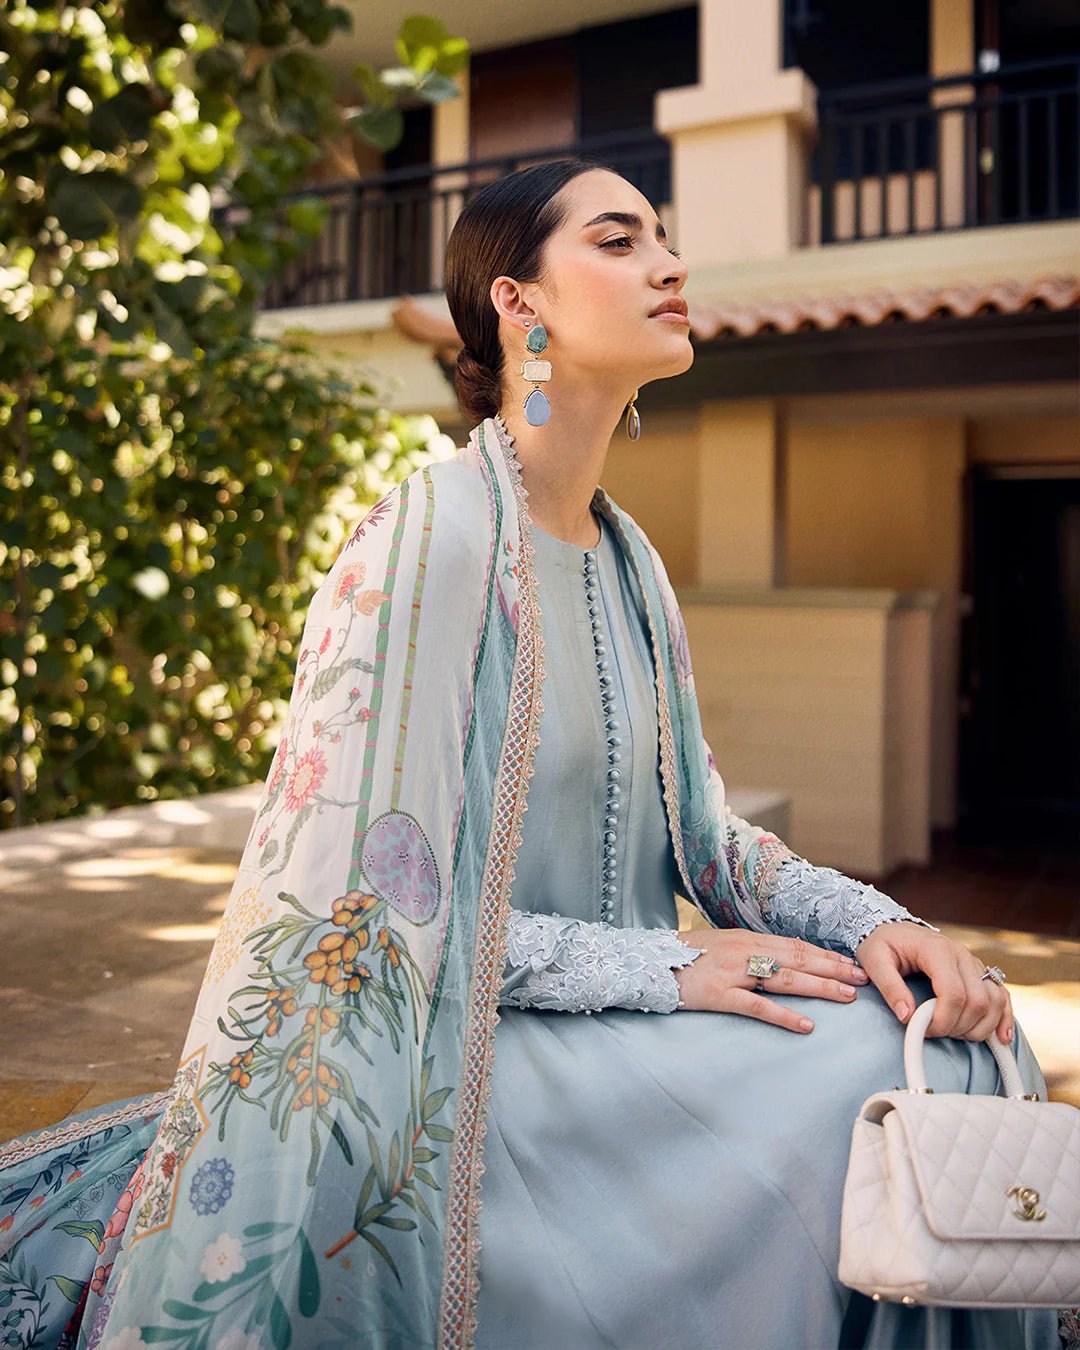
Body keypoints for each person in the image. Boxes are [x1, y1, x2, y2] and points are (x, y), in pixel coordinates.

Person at [0, 157, 1074, 1350]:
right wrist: (665, 973)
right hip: (465, 1059)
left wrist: (877, 922)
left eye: (664, 238)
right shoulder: (428, 536)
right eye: (618, 243)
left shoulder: (631, 562)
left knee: (945, 1023)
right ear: (520, 306)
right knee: (864, 1078)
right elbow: (358, 924)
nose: (669, 264)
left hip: (621, 1035)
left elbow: (712, 847)